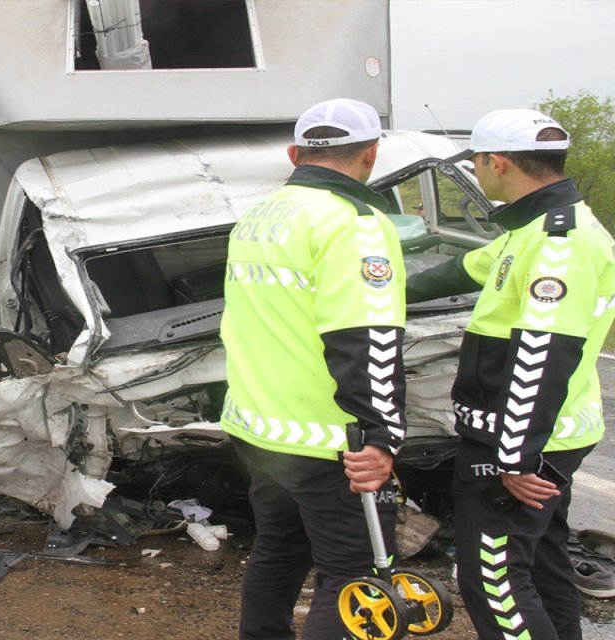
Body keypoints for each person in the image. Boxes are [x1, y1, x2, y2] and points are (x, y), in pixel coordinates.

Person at [407, 109, 612, 640]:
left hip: (522, 440)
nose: (477, 172)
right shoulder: (534, 230)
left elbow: (544, 354)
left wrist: (517, 456)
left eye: (476, 163)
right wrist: (374, 289)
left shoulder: (558, 244)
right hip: (547, 433)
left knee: (492, 579)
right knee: (543, 567)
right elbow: (463, 270)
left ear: (496, 162)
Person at [219, 98, 408, 638]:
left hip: (260, 429)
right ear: (372, 154)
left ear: (294, 153)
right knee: (357, 580)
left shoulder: (258, 216)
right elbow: (364, 339)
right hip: (332, 441)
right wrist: (381, 435)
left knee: (278, 551)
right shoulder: (356, 225)